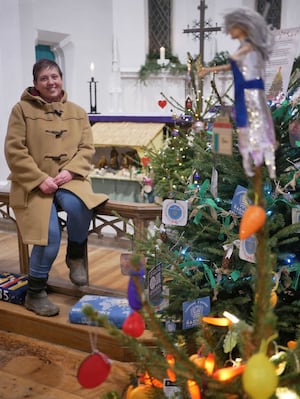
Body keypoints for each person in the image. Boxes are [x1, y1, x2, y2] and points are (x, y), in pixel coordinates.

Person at [5, 59, 108, 317]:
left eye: (55, 76)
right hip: (33, 183)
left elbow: (87, 149)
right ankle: (35, 292)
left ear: (61, 79)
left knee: (79, 205)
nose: (51, 82)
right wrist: (40, 179)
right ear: (36, 84)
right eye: (44, 78)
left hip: (68, 179)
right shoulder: (21, 110)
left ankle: (75, 256)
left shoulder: (78, 111)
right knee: (49, 237)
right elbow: (14, 150)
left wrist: (69, 171)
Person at [199, 7, 277, 179]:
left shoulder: (251, 46)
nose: (229, 32)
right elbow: (232, 64)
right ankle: (249, 162)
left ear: (241, 27)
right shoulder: (244, 47)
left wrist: (235, 57)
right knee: (243, 128)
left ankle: (268, 163)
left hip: (252, 91)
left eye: (232, 28)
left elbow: (236, 59)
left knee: (258, 126)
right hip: (242, 92)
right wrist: (208, 69)